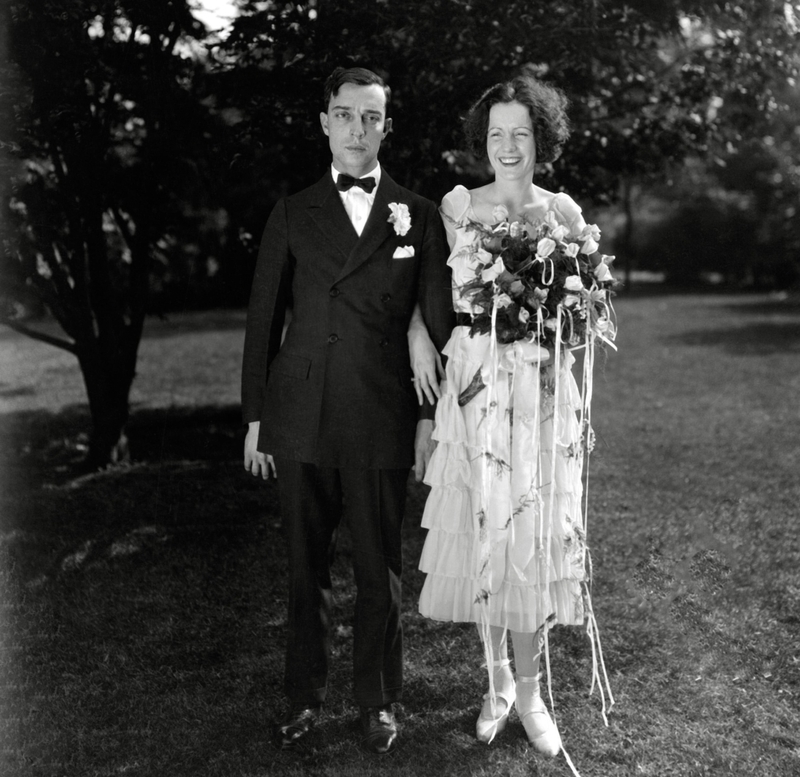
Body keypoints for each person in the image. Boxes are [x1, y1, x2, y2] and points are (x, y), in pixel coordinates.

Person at [241, 66, 453, 754]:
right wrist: (255, 419)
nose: (356, 130)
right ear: (324, 122)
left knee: (378, 569)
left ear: (387, 127)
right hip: (300, 412)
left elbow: (436, 317)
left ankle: (379, 699)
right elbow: (262, 320)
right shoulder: (292, 210)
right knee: (306, 568)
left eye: (370, 117)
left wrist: (426, 420)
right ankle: (302, 697)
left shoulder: (417, 214)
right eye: (344, 114)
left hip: (380, 411)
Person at [408, 71, 608, 760]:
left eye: (521, 132)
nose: (508, 145)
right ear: (481, 140)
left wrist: (565, 337)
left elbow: (586, 314)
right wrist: (414, 334)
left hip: (544, 394)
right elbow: (428, 288)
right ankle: (495, 684)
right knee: (485, 525)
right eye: (496, 134)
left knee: (532, 536)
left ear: (541, 138)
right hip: (477, 386)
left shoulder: (565, 214)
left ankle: (531, 691)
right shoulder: (458, 205)